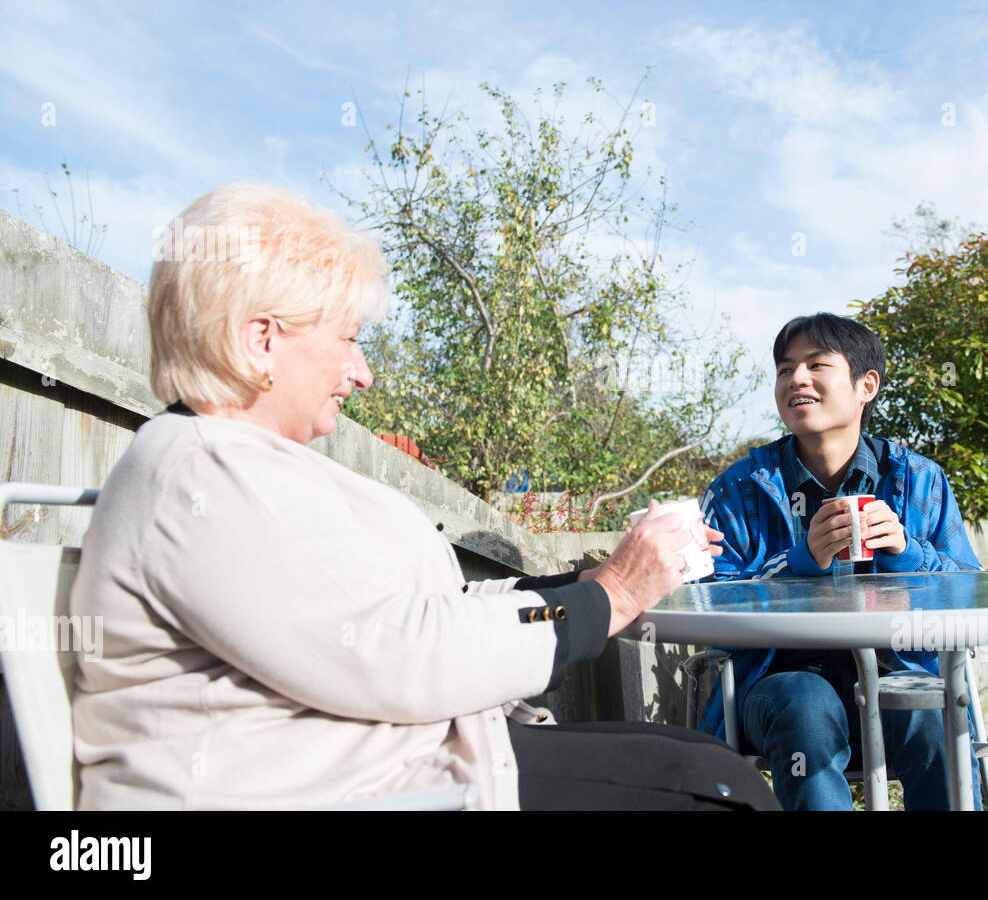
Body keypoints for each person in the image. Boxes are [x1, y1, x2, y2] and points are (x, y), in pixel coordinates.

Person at [69, 182, 778, 811]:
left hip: (399, 763)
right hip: (357, 787)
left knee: (707, 762)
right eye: (348, 338)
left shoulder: (244, 465)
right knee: (711, 788)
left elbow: (418, 615)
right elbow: (391, 654)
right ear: (261, 341)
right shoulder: (198, 473)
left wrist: (595, 583)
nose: (363, 371)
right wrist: (610, 596)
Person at [696, 312, 983, 810]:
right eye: (785, 370)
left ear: (865, 385)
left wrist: (907, 553)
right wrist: (798, 563)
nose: (796, 380)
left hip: (896, 674)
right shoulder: (738, 489)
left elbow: (971, 595)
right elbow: (706, 609)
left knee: (933, 710)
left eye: (816, 365)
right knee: (805, 706)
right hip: (776, 688)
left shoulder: (917, 479)